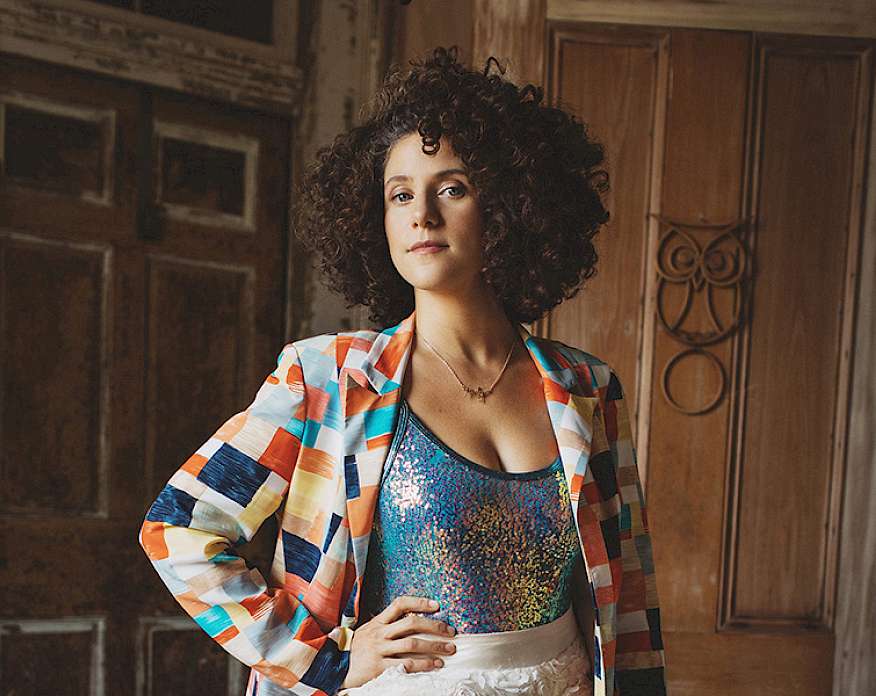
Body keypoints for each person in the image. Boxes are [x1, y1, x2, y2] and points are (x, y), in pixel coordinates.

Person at [138, 45, 666, 696]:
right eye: (399, 194)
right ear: (376, 218)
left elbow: (629, 599)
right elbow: (178, 528)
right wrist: (325, 659)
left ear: (509, 206)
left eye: (452, 186)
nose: (422, 214)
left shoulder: (587, 390)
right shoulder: (328, 381)